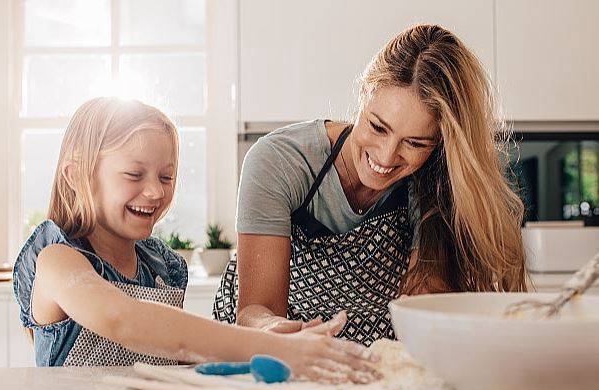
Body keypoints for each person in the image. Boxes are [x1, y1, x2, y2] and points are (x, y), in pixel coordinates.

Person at [12, 97, 379, 383]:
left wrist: (270, 339)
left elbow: (178, 351)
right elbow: (122, 319)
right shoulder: (57, 260)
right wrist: (276, 348)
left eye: (167, 176)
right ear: (77, 176)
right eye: (134, 174)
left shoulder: (162, 268)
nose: (154, 191)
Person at [213, 24, 527, 346]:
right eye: (378, 127)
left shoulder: (434, 183)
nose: (387, 156)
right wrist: (279, 333)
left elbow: (424, 301)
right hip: (262, 347)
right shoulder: (280, 161)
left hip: (372, 351)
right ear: (363, 95)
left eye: (415, 143)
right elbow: (256, 309)